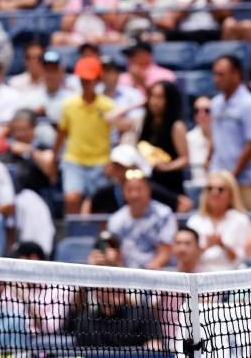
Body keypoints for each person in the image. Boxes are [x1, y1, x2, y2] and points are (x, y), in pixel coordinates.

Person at [51, 57, 118, 214]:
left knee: (98, 204)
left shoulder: (108, 106)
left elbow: (117, 137)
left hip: (101, 162)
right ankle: (72, 234)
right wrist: (53, 161)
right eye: (82, 80)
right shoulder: (69, 105)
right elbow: (62, 134)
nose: (85, 84)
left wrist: (112, 162)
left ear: (97, 80)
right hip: (74, 161)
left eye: (89, 80)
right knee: (72, 199)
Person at [209, 55, 251, 211]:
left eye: (221, 74)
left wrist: (233, 174)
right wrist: (210, 163)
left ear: (236, 74)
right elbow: (215, 137)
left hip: (246, 180)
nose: (216, 79)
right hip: (220, 179)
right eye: (215, 74)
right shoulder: (215, 104)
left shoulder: (250, 104)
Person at [107, 168, 177, 270]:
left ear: (149, 190)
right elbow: (115, 250)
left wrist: (150, 271)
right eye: (129, 190)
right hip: (127, 275)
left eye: (139, 189)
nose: (135, 195)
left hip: (158, 273)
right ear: (123, 193)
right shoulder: (115, 220)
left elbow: (166, 248)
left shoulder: (163, 213)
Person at [186, 170, 251, 271]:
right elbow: (187, 259)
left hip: (232, 278)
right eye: (210, 188)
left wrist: (222, 245)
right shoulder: (194, 221)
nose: (214, 193)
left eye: (220, 189)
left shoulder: (241, 220)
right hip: (201, 278)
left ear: (230, 195)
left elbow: (242, 258)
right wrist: (206, 247)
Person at [138, 81, 189, 196]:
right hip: (148, 182)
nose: (154, 101)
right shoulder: (146, 123)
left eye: (159, 97)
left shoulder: (176, 126)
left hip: (170, 184)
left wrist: (165, 167)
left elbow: (185, 159)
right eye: (152, 96)